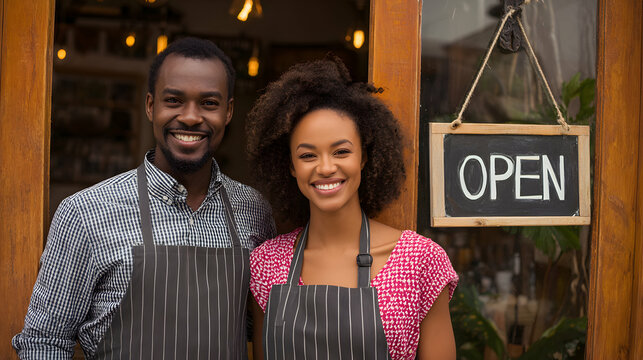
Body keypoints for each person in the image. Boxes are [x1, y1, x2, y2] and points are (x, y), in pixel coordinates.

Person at [12, 37, 275, 359]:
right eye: (174, 100)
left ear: (229, 111)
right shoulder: (85, 212)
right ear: (151, 106)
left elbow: (265, 328)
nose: (191, 117)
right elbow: (44, 341)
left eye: (209, 103)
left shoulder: (254, 211)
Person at [246, 57, 459, 360]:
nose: (326, 167)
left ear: (363, 157)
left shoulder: (419, 262)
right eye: (308, 156)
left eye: (341, 151)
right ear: (291, 166)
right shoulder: (267, 264)